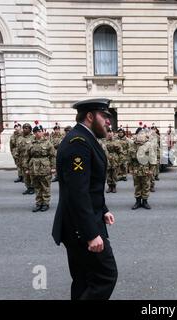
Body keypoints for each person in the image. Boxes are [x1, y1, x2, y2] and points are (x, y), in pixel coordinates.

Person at [52, 98, 118, 300]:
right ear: (90, 116)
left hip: (80, 222)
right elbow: (77, 192)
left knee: (84, 279)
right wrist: (90, 234)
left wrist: (104, 208)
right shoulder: (78, 143)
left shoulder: (85, 138)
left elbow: (90, 185)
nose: (109, 121)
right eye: (105, 116)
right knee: (105, 276)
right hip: (80, 228)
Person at [26, 123, 56, 212]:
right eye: (38, 131)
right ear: (34, 133)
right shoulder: (31, 143)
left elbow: (53, 156)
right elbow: (27, 156)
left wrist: (53, 167)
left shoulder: (48, 143)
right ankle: (39, 203)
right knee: (37, 187)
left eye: (41, 131)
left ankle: (46, 203)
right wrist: (27, 168)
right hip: (34, 168)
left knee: (45, 186)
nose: (40, 133)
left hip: (45, 167)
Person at [129, 127, 155, 210]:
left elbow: (152, 158)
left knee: (146, 185)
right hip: (136, 170)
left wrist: (151, 170)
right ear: (136, 135)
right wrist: (130, 169)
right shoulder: (133, 145)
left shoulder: (148, 145)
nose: (140, 136)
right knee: (137, 186)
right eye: (139, 134)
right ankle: (137, 201)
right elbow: (129, 158)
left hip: (146, 169)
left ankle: (145, 201)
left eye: (142, 134)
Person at [17, 123, 35, 195]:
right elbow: (17, 148)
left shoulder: (33, 137)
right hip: (22, 159)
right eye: (24, 128)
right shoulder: (20, 138)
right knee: (25, 175)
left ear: (30, 129)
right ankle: (28, 187)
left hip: (30, 159)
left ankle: (33, 187)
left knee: (31, 174)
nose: (25, 129)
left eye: (27, 128)